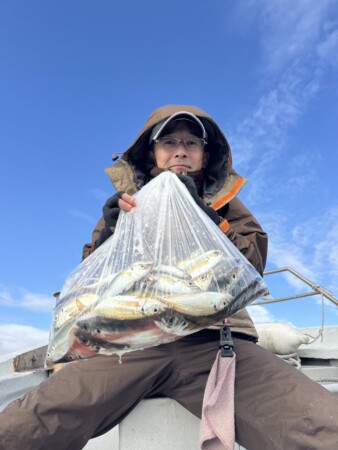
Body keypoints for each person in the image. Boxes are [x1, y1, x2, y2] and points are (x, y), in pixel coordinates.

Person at [0, 105, 337, 450]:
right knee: (25, 424)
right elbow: (91, 277)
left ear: (205, 156)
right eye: (170, 141)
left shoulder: (226, 205)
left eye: (192, 143)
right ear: (153, 152)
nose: (180, 150)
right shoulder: (128, 205)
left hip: (216, 344)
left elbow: (252, 265)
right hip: (129, 346)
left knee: (323, 428)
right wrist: (109, 234)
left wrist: (208, 217)